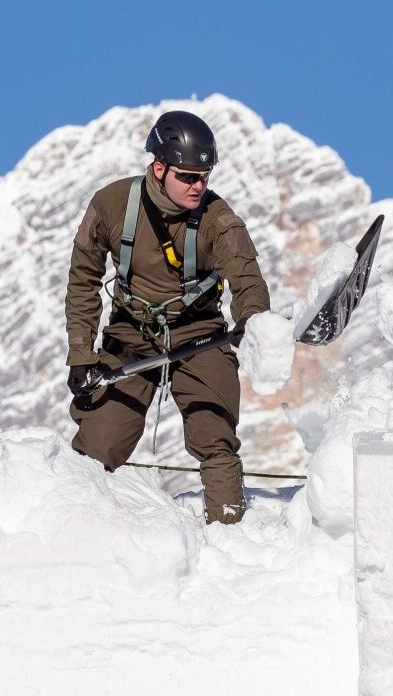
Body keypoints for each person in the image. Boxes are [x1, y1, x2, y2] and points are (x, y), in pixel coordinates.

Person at [62, 111, 271, 524]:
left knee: (215, 436)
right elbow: (83, 278)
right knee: (100, 443)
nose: (199, 186)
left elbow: (248, 280)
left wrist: (253, 319)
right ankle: (72, 529)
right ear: (159, 168)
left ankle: (230, 534)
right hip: (130, 333)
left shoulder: (220, 221)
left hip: (200, 332)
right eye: (188, 176)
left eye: (205, 177)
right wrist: (81, 353)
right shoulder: (111, 205)